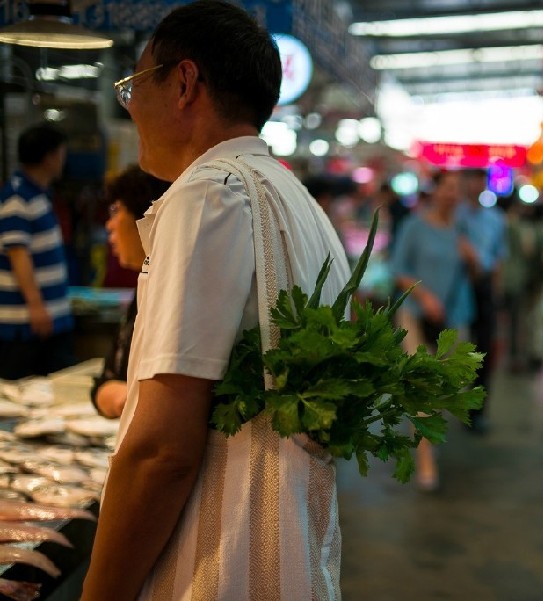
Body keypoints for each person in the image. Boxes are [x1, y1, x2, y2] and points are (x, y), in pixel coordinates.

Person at [80, 2, 350, 599]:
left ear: (183, 82)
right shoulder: (299, 202)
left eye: (133, 85)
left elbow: (161, 450)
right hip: (291, 560)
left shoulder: (209, 194)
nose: (130, 104)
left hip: (219, 567)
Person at [391, 169, 477, 490]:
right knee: (422, 389)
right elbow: (398, 269)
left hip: (452, 319)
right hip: (415, 315)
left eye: (458, 189)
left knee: (444, 388)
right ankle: (425, 457)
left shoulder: (463, 227)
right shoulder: (414, 225)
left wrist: (472, 258)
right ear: (435, 191)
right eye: (448, 188)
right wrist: (424, 295)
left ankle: (427, 436)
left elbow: (476, 271)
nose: (453, 194)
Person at [90, 165, 169, 418]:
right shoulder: (143, 287)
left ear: (145, 218)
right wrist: (121, 396)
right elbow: (105, 380)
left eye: (116, 211)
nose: (110, 225)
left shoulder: (174, 296)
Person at [0, 123, 75, 381]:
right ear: (49, 157)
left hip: (46, 319)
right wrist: (36, 305)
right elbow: (18, 254)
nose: (63, 159)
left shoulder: (38, 194)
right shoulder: (17, 197)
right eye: (61, 152)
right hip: (25, 326)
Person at [456, 168, 506, 431]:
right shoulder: (454, 215)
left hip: (482, 287)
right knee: (451, 346)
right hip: (454, 286)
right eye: (469, 180)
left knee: (483, 350)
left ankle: (476, 411)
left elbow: (497, 259)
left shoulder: (495, 219)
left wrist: (496, 296)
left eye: (478, 180)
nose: (474, 185)